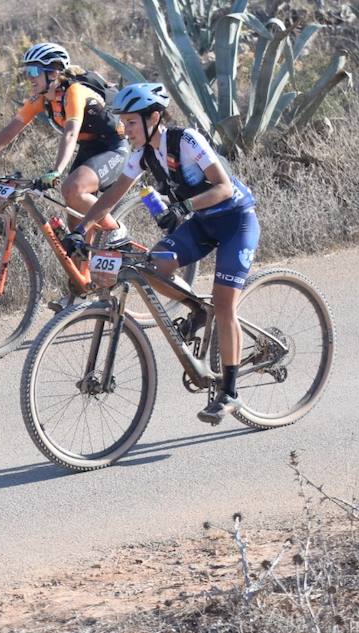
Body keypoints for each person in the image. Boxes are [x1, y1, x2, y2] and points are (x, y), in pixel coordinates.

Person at [65, 83, 260, 425]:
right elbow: (110, 199)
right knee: (154, 266)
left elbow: (224, 187)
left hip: (235, 223)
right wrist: (81, 230)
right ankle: (198, 309)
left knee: (225, 303)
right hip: (202, 223)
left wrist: (182, 205)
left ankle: (230, 392)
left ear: (154, 117)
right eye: (123, 123)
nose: (126, 130)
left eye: (133, 123)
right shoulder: (142, 155)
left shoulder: (186, 141)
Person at [0, 42, 131, 253]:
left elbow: (70, 133)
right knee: (73, 219)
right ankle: (86, 279)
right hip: (89, 147)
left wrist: (56, 171)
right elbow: (9, 132)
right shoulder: (41, 99)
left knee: (72, 190)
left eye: (34, 71)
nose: (29, 77)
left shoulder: (74, 92)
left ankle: (115, 229)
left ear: (53, 73)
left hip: (113, 146)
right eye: (27, 71)